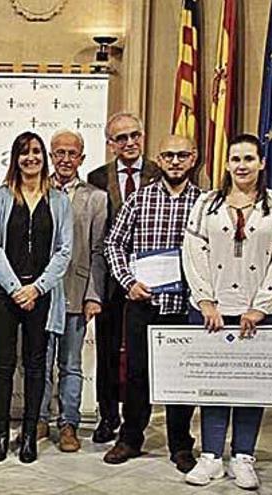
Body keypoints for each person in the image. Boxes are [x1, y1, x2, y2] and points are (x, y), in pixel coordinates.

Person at [182, 134, 272, 490]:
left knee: (251, 386)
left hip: (261, 311)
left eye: (249, 158)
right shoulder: (206, 204)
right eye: (236, 158)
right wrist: (205, 299)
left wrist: (260, 306)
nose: (242, 165)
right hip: (213, 312)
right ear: (227, 163)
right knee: (214, 385)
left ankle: (244, 456)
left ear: (262, 163)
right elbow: (193, 251)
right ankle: (211, 457)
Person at [102, 134, 200, 473]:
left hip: (186, 306)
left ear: (193, 158)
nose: (175, 162)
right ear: (158, 158)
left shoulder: (205, 203)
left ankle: (180, 445)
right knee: (138, 374)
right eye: (169, 155)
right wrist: (128, 282)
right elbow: (112, 243)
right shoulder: (140, 200)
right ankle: (130, 438)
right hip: (144, 303)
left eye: (182, 155)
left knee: (181, 377)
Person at [0, 131, 73, 464]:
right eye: (23, 152)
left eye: (36, 151)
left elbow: (64, 251)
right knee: (3, 366)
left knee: (36, 368)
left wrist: (36, 288)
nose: (30, 157)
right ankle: (2, 435)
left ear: (43, 157)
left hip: (43, 296)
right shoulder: (0, 197)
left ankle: (31, 434)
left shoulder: (60, 200)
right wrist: (15, 288)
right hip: (6, 296)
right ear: (15, 158)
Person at [86, 112, 160, 443]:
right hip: (111, 283)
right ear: (110, 144)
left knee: (140, 355)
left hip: (151, 281)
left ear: (142, 137)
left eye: (134, 135)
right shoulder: (96, 177)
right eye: (120, 138)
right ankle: (107, 416)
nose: (128, 142)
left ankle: (136, 422)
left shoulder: (161, 173)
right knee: (106, 351)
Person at [37, 130, 107, 452]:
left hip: (77, 292)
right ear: (51, 156)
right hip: (39, 293)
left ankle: (68, 424)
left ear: (82, 158)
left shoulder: (96, 197)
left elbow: (97, 251)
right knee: (39, 361)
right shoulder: (35, 189)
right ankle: (38, 420)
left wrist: (94, 295)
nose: (65, 159)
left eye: (72, 153)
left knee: (71, 364)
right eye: (59, 153)